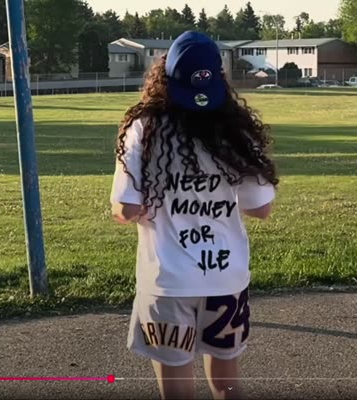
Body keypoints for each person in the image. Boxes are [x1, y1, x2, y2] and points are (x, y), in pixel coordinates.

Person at [111, 31, 279, 400]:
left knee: (176, 385)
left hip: (168, 281)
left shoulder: (145, 130)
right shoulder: (235, 132)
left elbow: (126, 209)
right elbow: (261, 208)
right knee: (226, 380)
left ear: (165, 77)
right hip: (225, 279)